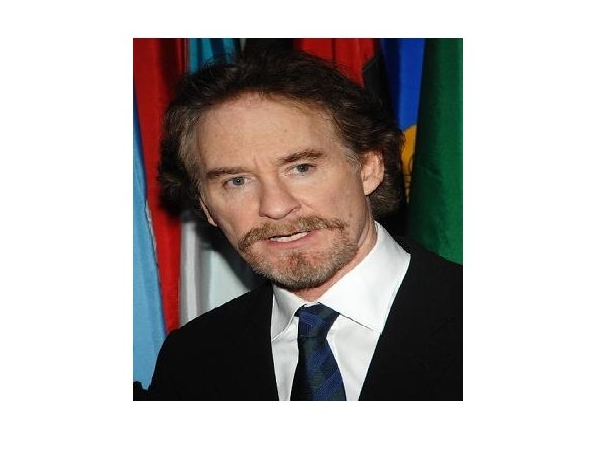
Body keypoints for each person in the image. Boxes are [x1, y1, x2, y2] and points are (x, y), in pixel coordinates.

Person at [148, 49, 462, 400]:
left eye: (301, 168)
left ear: (368, 169)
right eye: (237, 181)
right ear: (206, 207)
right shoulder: (190, 361)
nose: (276, 207)